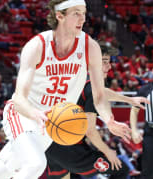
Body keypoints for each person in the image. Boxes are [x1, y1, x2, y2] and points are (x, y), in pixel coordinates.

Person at [0, 0, 132, 179]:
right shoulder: (38, 45)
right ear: (59, 16)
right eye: (76, 14)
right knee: (35, 163)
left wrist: (109, 120)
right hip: (24, 114)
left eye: (84, 14)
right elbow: (19, 98)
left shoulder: (89, 46)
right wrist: (34, 114)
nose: (82, 19)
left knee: (7, 167)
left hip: (52, 122)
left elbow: (99, 94)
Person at [45, 45, 146, 179]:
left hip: (49, 142)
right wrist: (107, 151)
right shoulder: (91, 88)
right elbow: (90, 131)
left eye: (109, 62)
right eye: (104, 62)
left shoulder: (77, 78)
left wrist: (128, 99)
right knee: (120, 168)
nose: (109, 67)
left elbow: (102, 92)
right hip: (69, 145)